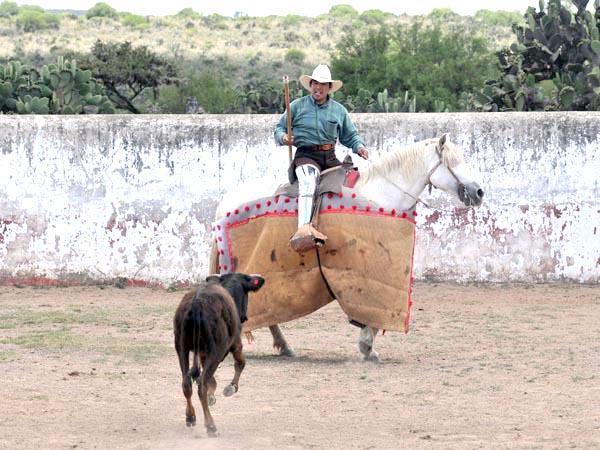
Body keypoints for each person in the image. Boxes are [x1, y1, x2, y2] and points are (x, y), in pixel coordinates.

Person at [274, 64, 369, 251]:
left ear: (329, 88)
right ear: (310, 85)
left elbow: (350, 135)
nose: (318, 87)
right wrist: (284, 138)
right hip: (306, 155)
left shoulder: (339, 111)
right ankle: (302, 231)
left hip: (330, 156)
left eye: (323, 84)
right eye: (315, 83)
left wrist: (359, 147)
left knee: (351, 183)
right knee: (309, 182)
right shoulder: (297, 106)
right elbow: (280, 128)